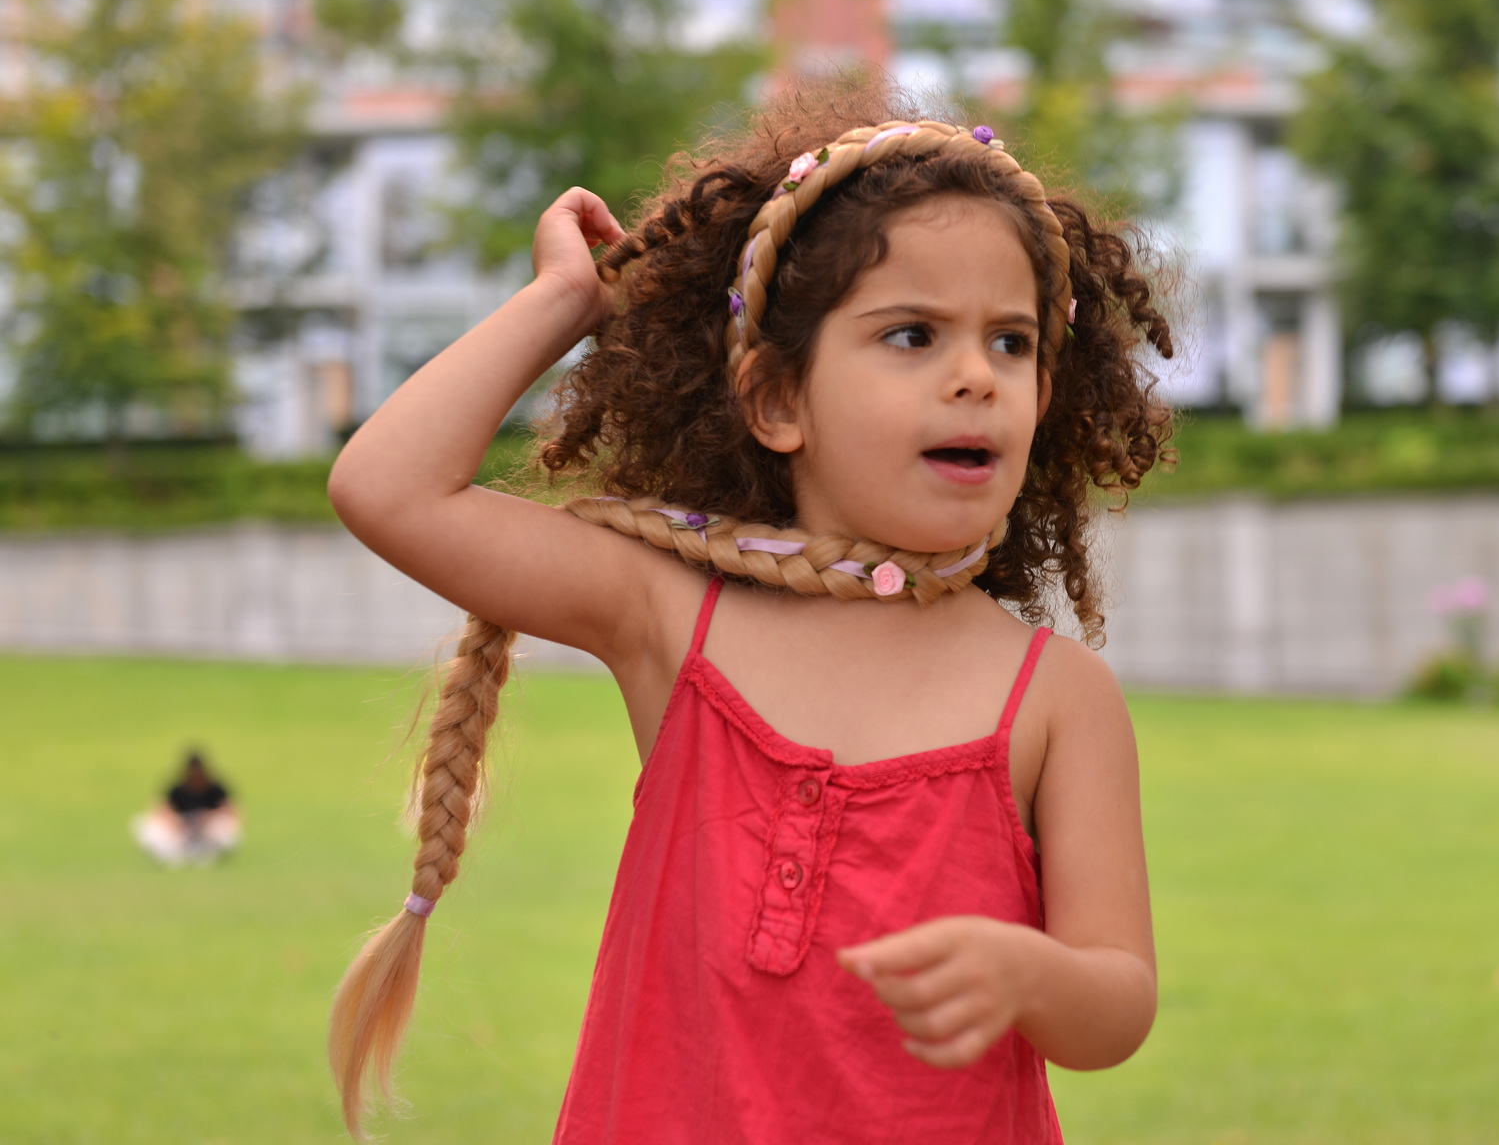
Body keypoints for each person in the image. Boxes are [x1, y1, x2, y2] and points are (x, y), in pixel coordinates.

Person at [324, 81, 1175, 1142]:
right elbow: (387, 488)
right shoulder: (670, 620)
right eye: (913, 334)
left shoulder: (1057, 698)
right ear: (777, 401)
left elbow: (1116, 1000)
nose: (976, 376)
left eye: (1012, 342)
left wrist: (1032, 974)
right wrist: (564, 301)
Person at [131, 750, 241, 867]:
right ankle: (173, 857)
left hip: (207, 833)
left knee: (225, 826)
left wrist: (207, 817)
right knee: (141, 823)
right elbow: (160, 807)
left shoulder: (215, 788)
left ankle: (207, 855)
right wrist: (175, 821)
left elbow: (231, 809)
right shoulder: (178, 788)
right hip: (181, 832)